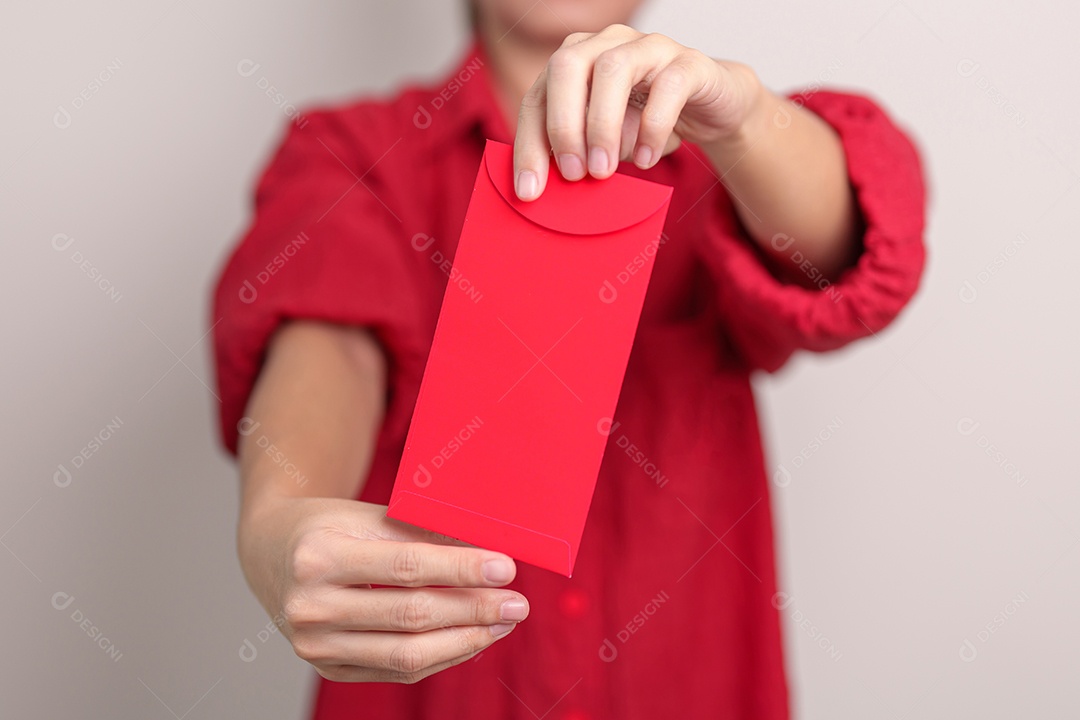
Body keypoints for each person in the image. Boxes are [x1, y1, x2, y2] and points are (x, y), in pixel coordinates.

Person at [211, 1, 926, 718]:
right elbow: (329, 343)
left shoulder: (728, 169)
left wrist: (744, 121)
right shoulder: (353, 152)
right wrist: (277, 515)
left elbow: (852, 256)